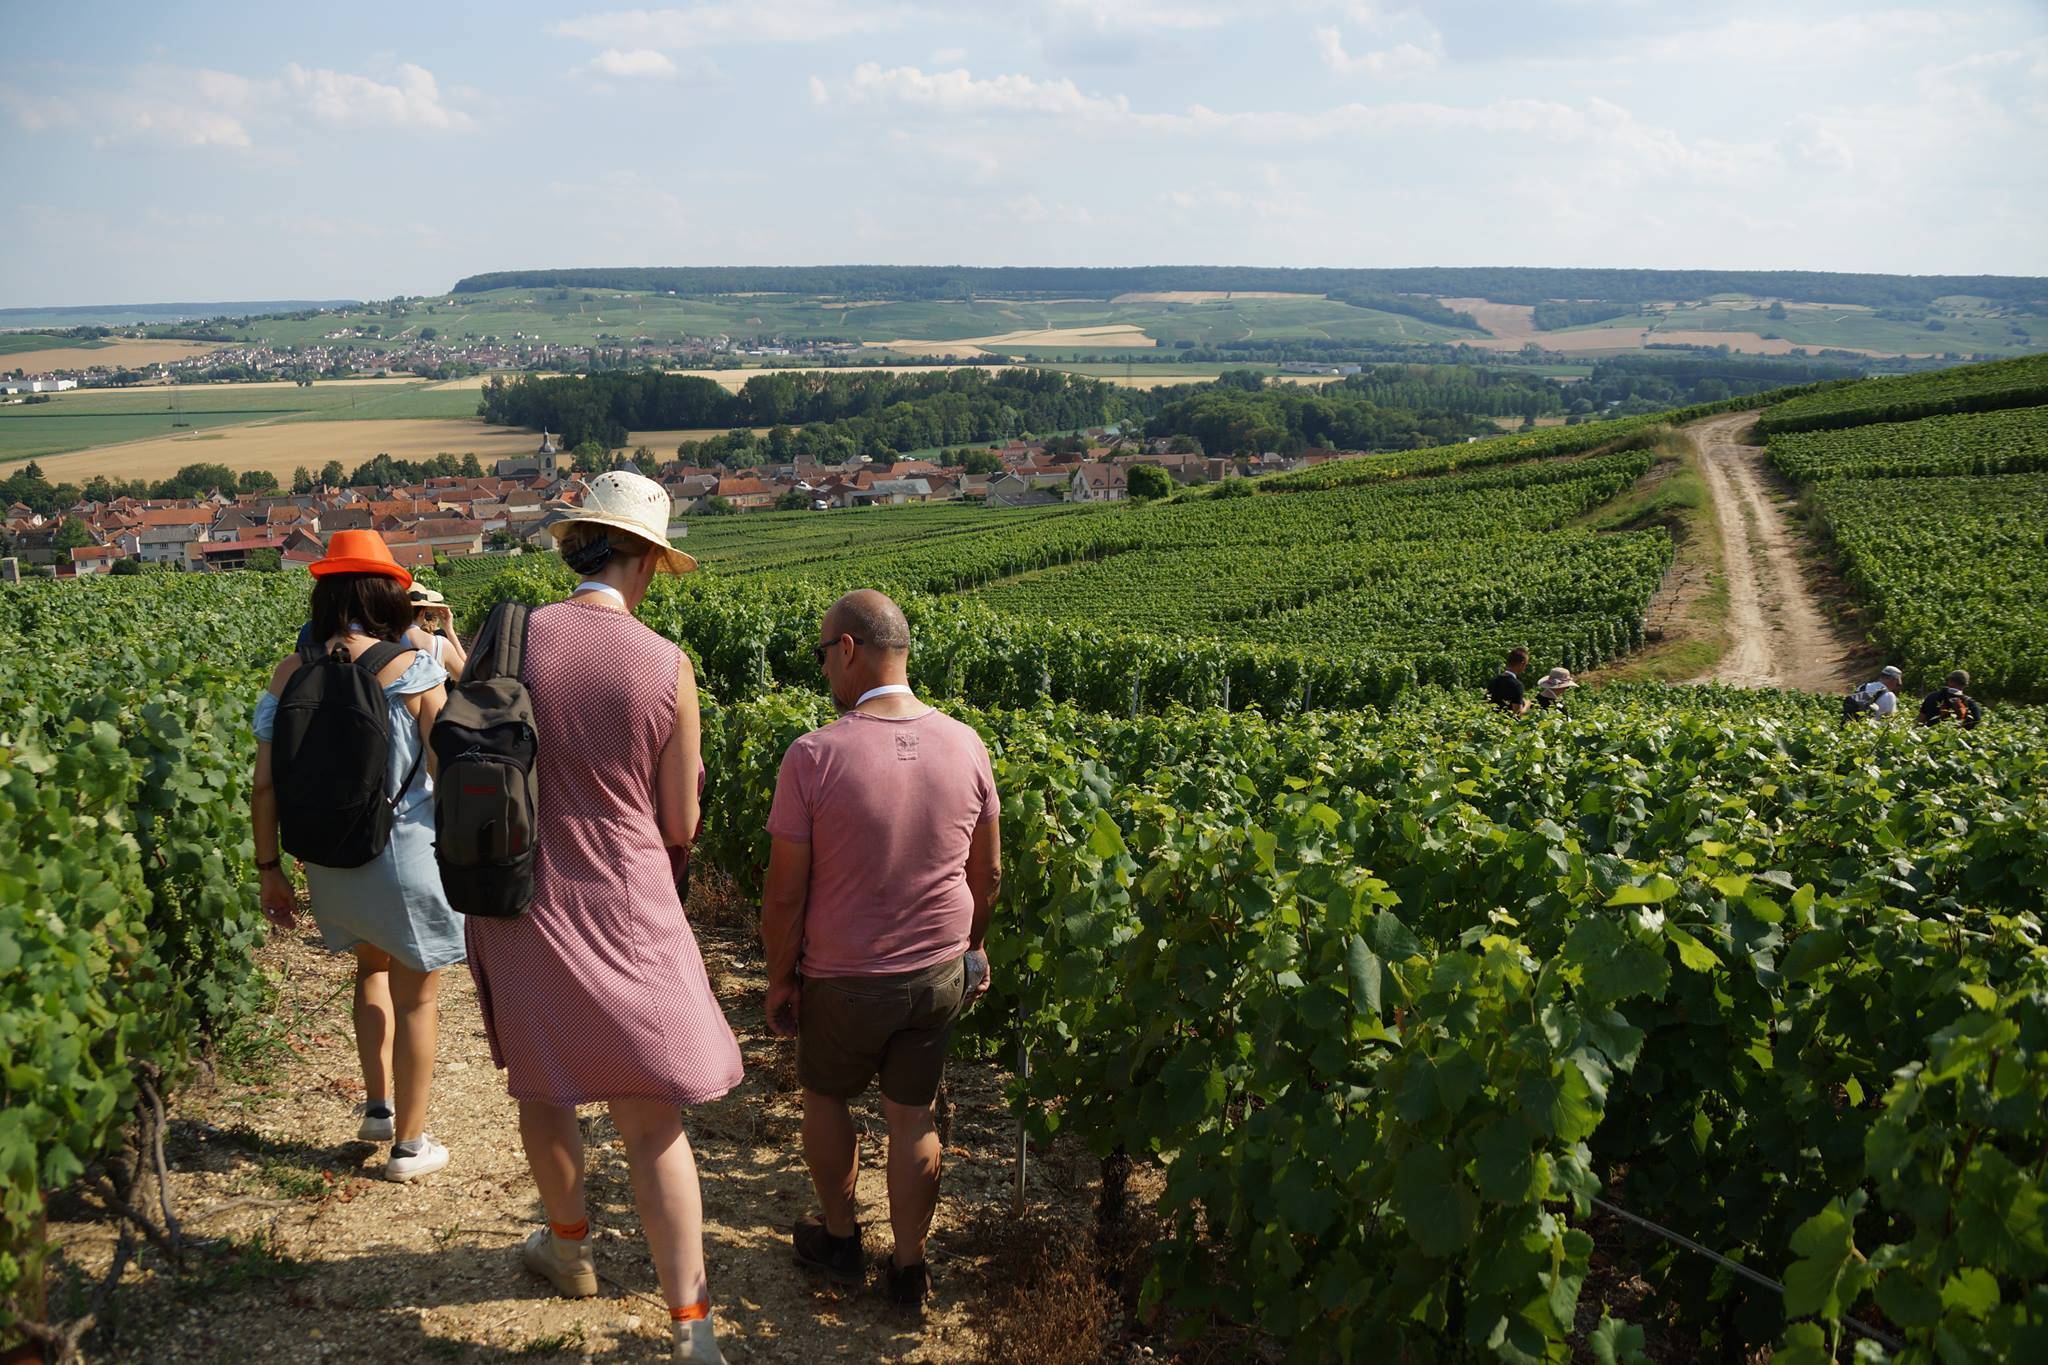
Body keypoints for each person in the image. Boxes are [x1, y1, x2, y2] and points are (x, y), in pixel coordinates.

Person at [462, 470, 739, 1365]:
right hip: (626, 898)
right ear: (649, 560)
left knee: (543, 1083)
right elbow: (681, 822)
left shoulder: (507, 638)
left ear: (577, 545)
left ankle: (568, 1247)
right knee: (653, 1121)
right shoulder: (665, 663)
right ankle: (692, 1330)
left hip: (520, 896)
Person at [760, 590, 1000, 1314]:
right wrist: (972, 949)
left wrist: (780, 978)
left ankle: (840, 1242)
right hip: (935, 974)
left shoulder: (813, 755)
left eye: (822, 655)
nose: (823, 670)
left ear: (848, 650)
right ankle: (909, 1269)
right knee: (913, 1116)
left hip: (844, 979)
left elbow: (784, 894)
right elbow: (988, 873)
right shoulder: (967, 744)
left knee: (825, 1096)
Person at [249, 529, 461, 1182]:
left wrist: (269, 870)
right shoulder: (413, 668)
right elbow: (447, 769)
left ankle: (377, 1107)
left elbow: (264, 784)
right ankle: (410, 1146)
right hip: (404, 855)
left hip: (331, 858)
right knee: (418, 998)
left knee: (369, 971)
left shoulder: (290, 672)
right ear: (387, 596)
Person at [407, 583, 469, 678]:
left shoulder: (385, 639)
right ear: (422, 612)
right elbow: (466, 675)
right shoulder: (440, 644)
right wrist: (449, 629)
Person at [1917, 669, 1983, 729]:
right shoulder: (1970, 702)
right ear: (1965, 685)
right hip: (1955, 737)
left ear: (1949, 681)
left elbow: (1921, 720)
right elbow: (1976, 725)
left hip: (1931, 735)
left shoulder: (1932, 697)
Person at [1486, 647, 1531, 715]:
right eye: (1525, 665)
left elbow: (1486, 702)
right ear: (1522, 663)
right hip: (1507, 720)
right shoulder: (1517, 685)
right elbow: (1517, 713)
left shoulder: (1494, 680)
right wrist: (1527, 705)